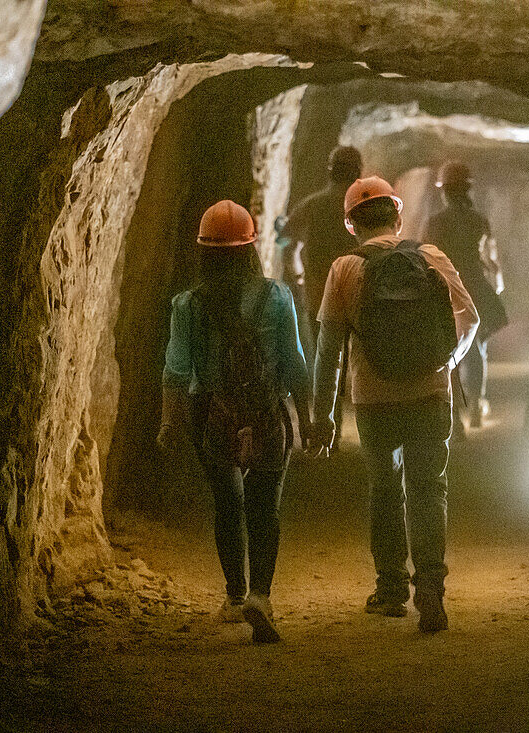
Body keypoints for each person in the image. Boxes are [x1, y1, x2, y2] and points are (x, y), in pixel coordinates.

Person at [312, 176, 479, 633]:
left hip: (374, 400)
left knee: (385, 488)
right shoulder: (432, 257)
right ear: (398, 216)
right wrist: (445, 361)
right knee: (429, 488)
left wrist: (321, 416)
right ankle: (431, 590)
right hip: (430, 394)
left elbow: (328, 349)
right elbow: (470, 319)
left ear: (351, 226)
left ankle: (389, 591)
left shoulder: (344, 270)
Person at [158, 199, 312, 644]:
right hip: (266, 409)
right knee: (265, 506)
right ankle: (260, 596)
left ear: (203, 251)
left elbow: (177, 369)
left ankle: (233, 594)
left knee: (228, 502)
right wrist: (307, 418)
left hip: (212, 412)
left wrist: (170, 421)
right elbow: (294, 362)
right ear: (251, 247)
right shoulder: (277, 296)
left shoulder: (187, 305)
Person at [279, 145, 363, 450]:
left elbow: (286, 238)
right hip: (359, 295)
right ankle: (374, 432)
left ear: (330, 170)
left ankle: (331, 429)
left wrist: (296, 272)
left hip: (321, 295)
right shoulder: (361, 207)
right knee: (362, 362)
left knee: (326, 363)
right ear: (357, 172)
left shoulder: (313, 204)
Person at [424, 162, 507, 434]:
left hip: (444, 289)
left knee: (448, 353)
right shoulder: (478, 220)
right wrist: (496, 286)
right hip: (475, 289)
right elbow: (490, 259)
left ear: (445, 191)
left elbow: (425, 259)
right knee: (476, 349)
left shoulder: (435, 223)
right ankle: (474, 407)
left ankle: (454, 415)